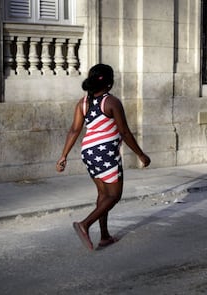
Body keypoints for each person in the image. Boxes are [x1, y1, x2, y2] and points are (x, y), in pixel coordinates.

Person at [56, 64, 151, 251]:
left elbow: (74, 130)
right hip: (105, 153)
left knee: (103, 194)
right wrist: (141, 154)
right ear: (109, 82)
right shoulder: (111, 102)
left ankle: (105, 236)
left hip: (88, 152)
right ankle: (84, 224)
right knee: (114, 195)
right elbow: (124, 131)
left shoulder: (83, 103)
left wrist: (63, 155)